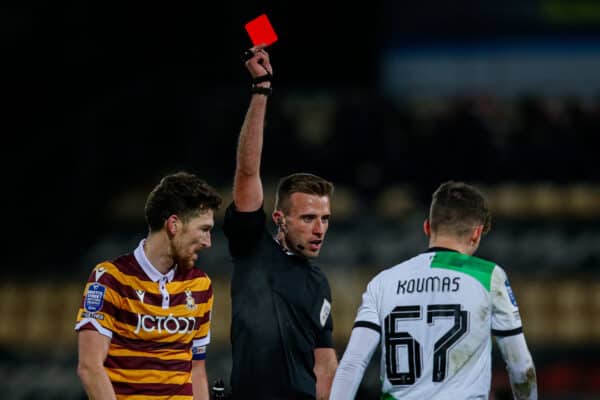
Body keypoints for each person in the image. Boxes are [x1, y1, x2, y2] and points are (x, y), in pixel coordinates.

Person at [330, 181, 538, 399]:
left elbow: (352, 364)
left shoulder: (383, 282)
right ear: (476, 233)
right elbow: (521, 367)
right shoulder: (489, 277)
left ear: (427, 227)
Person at [222, 46, 338, 399]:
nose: (319, 229)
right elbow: (247, 172)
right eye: (307, 218)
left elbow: (325, 365)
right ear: (280, 220)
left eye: (324, 219)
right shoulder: (252, 248)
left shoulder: (318, 282)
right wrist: (261, 91)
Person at [75, 171, 222, 400]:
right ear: (174, 225)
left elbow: (196, 370)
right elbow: (90, 367)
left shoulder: (200, 285)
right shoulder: (110, 279)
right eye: (204, 229)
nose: (208, 242)